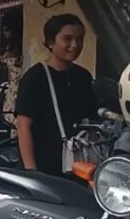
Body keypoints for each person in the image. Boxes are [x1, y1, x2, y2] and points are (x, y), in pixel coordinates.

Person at [15, 14, 98, 175]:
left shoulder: (84, 77)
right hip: (45, 165)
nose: (75, 45)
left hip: (79, 165)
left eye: (79, 39)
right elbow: (23, 125)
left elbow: (91, 121)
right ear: (51, 42)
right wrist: (31, 170)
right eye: (67, 39)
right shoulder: (35, 77)